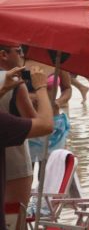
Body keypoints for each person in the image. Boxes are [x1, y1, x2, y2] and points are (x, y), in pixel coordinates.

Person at [0, 65, 54, 230]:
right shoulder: (3, 122)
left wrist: (3, 90)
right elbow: (45, 125)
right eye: (17, 50)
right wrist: (41, 87)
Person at [0, 42, 38, 207]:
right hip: (14, 160)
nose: (22, 55)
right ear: (3, 54)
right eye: (19, 51)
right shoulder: (15, 83)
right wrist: (42, 90)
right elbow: (39, 126)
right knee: (14, 219)